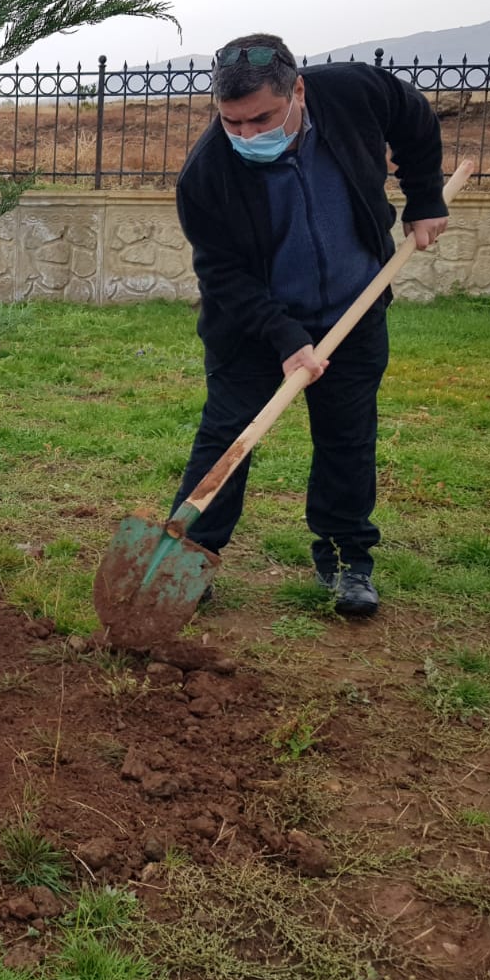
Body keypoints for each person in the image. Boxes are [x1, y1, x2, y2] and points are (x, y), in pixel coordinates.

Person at [169, 33, 448, 618]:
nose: (246, 135)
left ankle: (348, 560)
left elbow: (415, 119)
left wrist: (425, 197)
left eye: (261, 119)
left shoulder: (354, 94)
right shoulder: (206, 174)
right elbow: (223, 274)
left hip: (354, 307)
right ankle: (183, 562)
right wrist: (286, 339)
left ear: (297, 90)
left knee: (348, 437)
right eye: (232, 122)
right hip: (251, 329)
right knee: (228, 438)